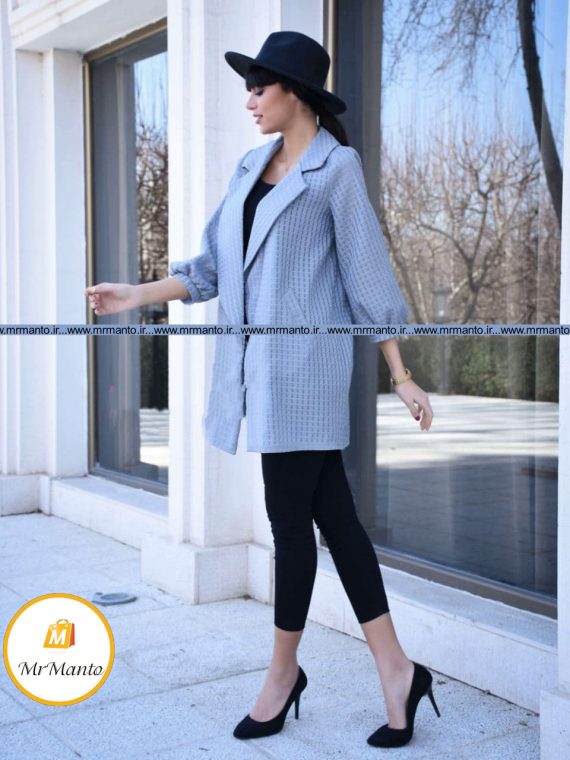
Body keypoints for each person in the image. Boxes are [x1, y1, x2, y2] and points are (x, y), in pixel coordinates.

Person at [85, 30, 438, 749]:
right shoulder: (250, 167)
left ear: (296, 93)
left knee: (290, 525)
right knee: (337, 522)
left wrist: (399, 374)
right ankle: (397, 670)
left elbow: (368, 275)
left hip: (305, 375)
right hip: (254, 372)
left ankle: (282, 676)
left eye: (259, 88)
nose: (249, 101)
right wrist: (136, 294)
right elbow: (212, 267)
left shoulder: (336, 169)